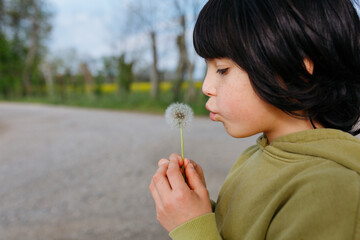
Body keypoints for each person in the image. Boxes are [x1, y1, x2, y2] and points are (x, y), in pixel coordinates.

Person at [149, 0, 360, 239]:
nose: (206, 87)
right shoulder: (257, 155)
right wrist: (200, 211)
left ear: (298, 70)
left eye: (222, 69)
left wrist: (192, 228)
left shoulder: (333, 191)